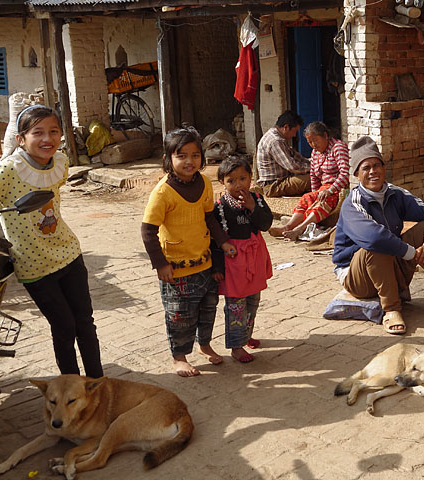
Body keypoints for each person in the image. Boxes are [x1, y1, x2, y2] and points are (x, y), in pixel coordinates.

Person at [0, 105, 103, 378]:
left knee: (85, 323)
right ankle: (71, 387)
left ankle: (97, 382)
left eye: (53, 131)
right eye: (38, 132)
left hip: (69, 253)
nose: (47, 139)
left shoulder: (61, 162)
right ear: (21, 139)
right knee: (64, 327)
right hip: (34, 266)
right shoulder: (8, 170)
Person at [332, 136, 424, 335]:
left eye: (377, 165)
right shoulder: (353, 203)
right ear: (357, 174)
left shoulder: (395, 193)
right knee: (378, 245)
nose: (373, 171)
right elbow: (374, 238)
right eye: (366, 168)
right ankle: (391, 309)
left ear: (384, 168)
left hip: (391, 265)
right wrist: (412, 253)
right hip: (358, 278)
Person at [141, 127, 236, 377]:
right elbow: (148, 231)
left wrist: (223, 242)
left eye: (195, 155)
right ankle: (179, 357)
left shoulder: (204, 183)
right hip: (176, 270)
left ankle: (204, 344)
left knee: (207, 309)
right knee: (179, 316)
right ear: (168, 159)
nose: (189, 161)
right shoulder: (163, 192)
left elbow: (210, 218)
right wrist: (161, 264)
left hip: (204, 264)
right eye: (181, 155)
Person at [211, 157, 273, 363]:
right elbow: (214, 240)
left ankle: (245, 335)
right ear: (222, 183)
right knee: (235, 304)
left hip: (254, 257)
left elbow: (265, 224)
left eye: (242, 178)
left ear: (251, 178)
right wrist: (217, 267)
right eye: (231, 181)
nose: (238, 185)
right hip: (233, 261)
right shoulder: (219, 208)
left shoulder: (257, 199)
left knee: (253, 299)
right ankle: (236, 347)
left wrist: (252, 206)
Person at [269, 122, 349, 239]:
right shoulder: (315, 153)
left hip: (338, 190)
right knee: (307, 198)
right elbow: (314, 176)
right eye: (310, 142)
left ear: (325, 136)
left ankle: (300, 228)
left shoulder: (338, 147)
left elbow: (345, 173)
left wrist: (330, 190)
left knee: (323, 200)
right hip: (323, 189)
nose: (313, 145)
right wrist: (315, 194)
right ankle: (288, 226)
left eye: (315, 140)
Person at [254, 110, 311, 197]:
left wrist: (313, 162)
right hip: (273, 186)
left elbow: (296, 157)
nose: (294, 135)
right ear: (286, 127)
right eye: (294, 131)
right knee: (312, 179)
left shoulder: (278, 137)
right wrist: (313, 168)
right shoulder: (276, 141)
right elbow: (292, 166)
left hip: (280, 180)